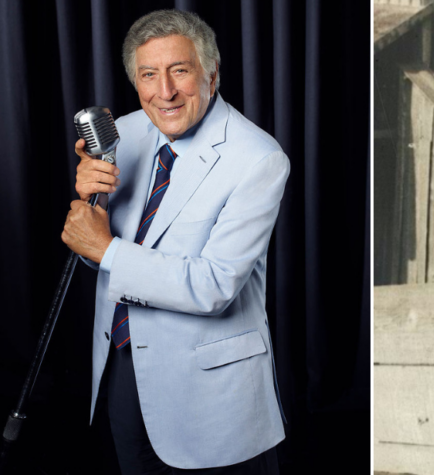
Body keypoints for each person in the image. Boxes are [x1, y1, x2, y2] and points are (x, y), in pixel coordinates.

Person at [61, 9, 289, 474]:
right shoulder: (122, 134)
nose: (164, 92)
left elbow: (214, 285)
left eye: (180, 71)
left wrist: (104, 248)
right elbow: (101, 255)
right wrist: (92, 218)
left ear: (212, 74)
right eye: (149, 75)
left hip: (212, 393)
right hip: (125, 368)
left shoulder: (258, 158)